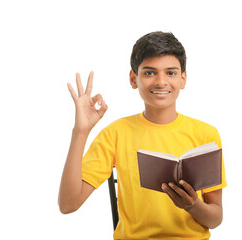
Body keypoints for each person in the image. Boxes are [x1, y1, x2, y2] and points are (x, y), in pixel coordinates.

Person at [58, 31, 227, 239]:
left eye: (171, 73)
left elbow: (215, 218)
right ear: (133, 79)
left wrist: (193, 205)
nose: (161, 81)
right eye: (149, 73)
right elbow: (68, 204)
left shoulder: (206, 134)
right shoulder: (116, 133)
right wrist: (80, 132)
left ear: (183, 79)